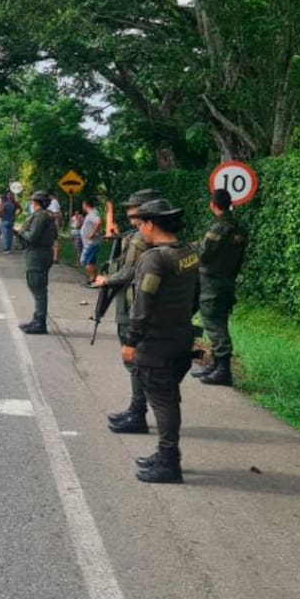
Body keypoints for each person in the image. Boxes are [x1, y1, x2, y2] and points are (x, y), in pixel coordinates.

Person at [122, 198, 200, 484]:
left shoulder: (155, 258)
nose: (140, 229)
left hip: (156, 343)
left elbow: (143, 301)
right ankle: (164, 454)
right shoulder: (188, 251)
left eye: (141, 223)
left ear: (152, 224)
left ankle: (169, 462)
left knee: (164, 402)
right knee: (168, 398)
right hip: (181, 337)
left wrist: (132, 339)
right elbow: (195, 295)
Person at [91, 188, 162, 433]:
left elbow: (129, 271)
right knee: (136, 361)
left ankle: (138, 411)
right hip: (135, 301)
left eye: (133, 208)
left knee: (134, 359)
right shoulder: (141, 235)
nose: (129, 211)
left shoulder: (142, 238)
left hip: (133, 303)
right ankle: (136, 409)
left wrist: (107, 280)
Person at [194, 188, 250, 386]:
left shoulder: (218, 228)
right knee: (218, 321)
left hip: (212, 281)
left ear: (213, 205)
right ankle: (216, 365)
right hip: (227, 280)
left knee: (214, 324)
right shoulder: (239, 228)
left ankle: (223, 370)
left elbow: (204, 253)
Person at [15, 191, 57, 334]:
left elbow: (32, 237)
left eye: (32, 202)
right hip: (42, 254)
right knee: (38, 287)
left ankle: (40, 322)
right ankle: (37, 319)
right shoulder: (49, 216)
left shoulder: (40, 216)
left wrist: (20, 232)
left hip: (37, 255)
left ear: (36, 203)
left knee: (38, 289)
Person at [80, 198, 104, 286]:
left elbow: (98, 222)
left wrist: (93, 233)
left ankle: (93, 279)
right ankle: (93, 280)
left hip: (91, 243)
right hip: (90, 243)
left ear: (85, 204)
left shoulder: (93, 213)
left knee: (85, 261)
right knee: (91, 262)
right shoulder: (91, 214)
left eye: (83, 205)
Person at [47, 193, 64, 262]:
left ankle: (55, 258)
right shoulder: (55, 202)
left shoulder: (53, 202)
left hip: (53, 223)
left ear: (51, 196)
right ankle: (54, 257)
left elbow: (56, 214)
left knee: (54, 240)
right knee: (54, 240)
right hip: (54, 223)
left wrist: (49, 215)